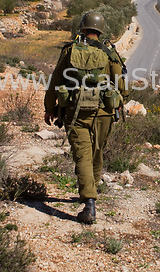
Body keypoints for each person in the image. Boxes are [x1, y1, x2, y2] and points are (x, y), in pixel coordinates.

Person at [44, 11, 128, 224]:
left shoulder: (71, 50)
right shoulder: (109, 52)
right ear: (100, 30)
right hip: (104, 112)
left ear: (82, 28)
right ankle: (92, 188)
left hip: (75, 110)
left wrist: (49, 108)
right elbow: (121, 85)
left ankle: (89, 202)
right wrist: (121, 101)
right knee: (97, 150)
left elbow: (55, 80)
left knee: (82, 154)